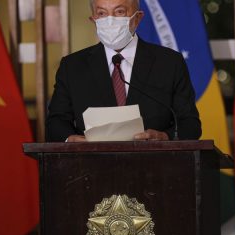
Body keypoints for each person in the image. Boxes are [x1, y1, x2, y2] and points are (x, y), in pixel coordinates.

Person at [45, 0, 201, 142]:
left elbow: (190, 124)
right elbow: (56, 121)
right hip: (90, 165)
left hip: (155, 164)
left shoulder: (169, 63)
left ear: (138, 17)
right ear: (93, 20)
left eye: (119, 12)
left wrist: (165, 136)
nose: (110, 20)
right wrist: (69, 139)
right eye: (102, 13)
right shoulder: (72, 66)